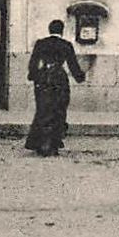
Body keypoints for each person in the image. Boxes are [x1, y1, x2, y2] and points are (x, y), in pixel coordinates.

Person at [23, 19, 86, 156]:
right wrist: (80, 77)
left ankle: (39, 143)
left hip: (43, 78)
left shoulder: (41, 43)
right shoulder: (66, 45)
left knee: (42, 110)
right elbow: (72, 64)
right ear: (61, 31)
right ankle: (53, 144)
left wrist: (33, 75)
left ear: (49, 30)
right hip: (59, 78)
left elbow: (33, 62)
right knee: (58, 110)